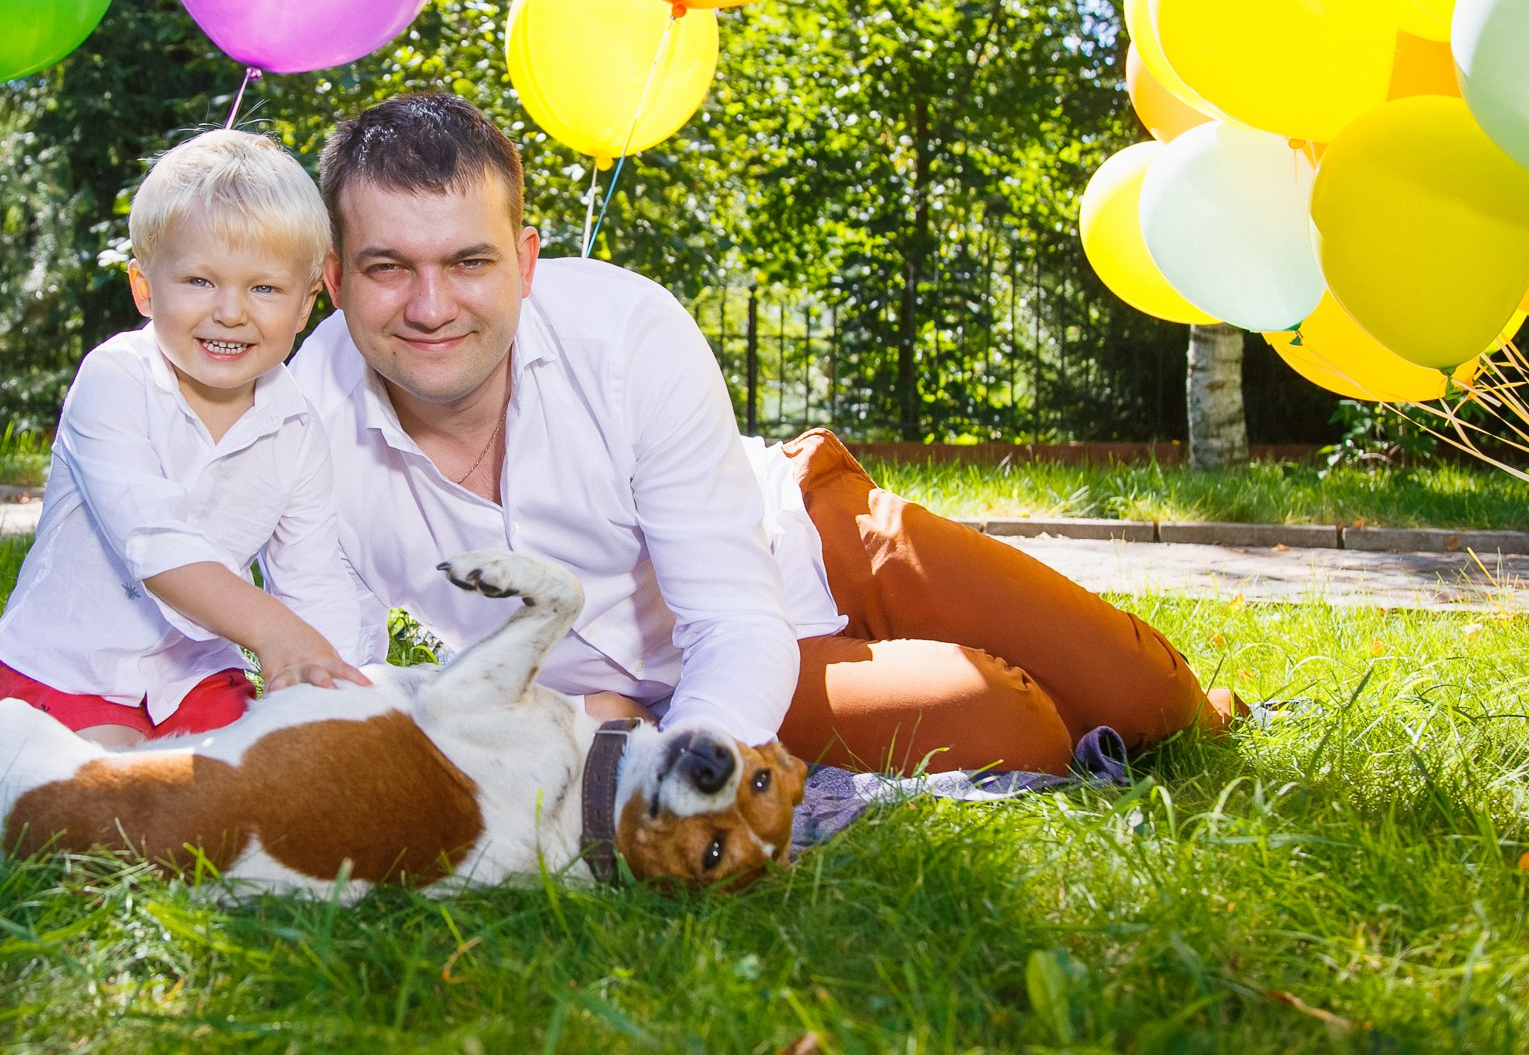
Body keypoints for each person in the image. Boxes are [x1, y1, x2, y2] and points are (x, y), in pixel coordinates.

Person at [289, 93, 1238, 774]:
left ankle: (1153, 704)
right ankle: (1061, 716)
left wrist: (671, 766)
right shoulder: (304, 427)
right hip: (719, 673)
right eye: (386, 268)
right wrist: (650, 749)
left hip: (812, 543)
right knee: (1011, 722)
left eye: (468, 261)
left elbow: (733, 611)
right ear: (333, 279)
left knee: (1157, 706)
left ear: (526, 262)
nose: (430, 305)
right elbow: (339, 675)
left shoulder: (626, 333)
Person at [0, 129, 371, 751]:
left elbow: (312, 577)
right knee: (115, 795)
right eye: (198, 281)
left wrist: (335, 685)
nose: (229, 311)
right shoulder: (115, 379)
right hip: (71, 663)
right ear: (144, 289)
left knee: (260, 778)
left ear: (305, 308)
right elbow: (153, 543)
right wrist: (275, 632)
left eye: (265, 288)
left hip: (191, 672)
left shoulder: (298, 427)